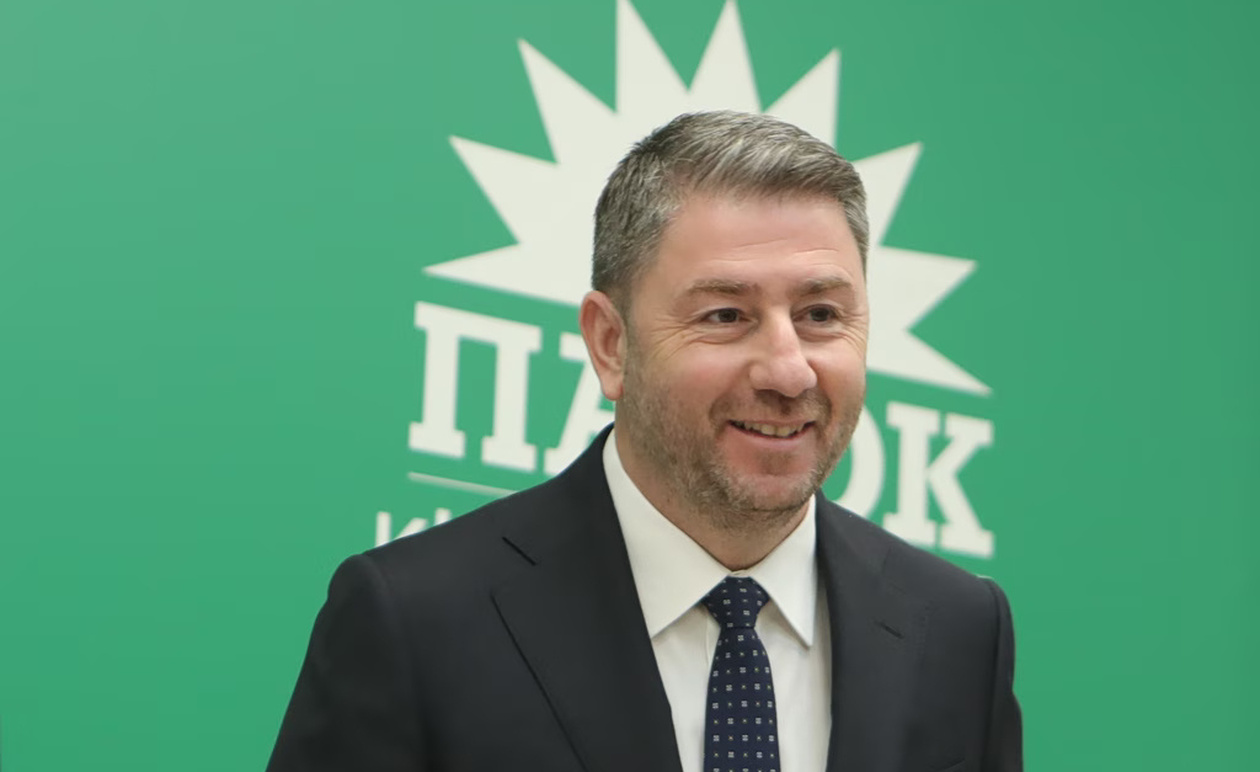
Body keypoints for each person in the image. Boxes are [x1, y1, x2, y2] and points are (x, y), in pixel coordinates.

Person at [266, 110, 1022, 772]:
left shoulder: (960, 629)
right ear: (611, 344)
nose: (789, 370)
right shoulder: (414, 620)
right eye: (726, 316)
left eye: (821, 315)